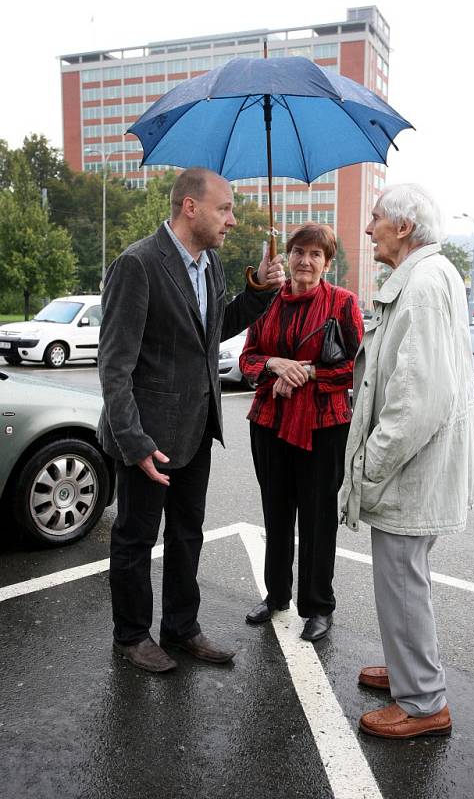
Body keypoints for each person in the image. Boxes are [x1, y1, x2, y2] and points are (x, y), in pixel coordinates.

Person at [97, 167, 285, 673]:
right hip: (146, 436)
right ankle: (132, 636)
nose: (232, 218)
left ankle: (181, 628)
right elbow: (114, 366)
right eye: (224, 208)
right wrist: (133, 441)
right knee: (136, 539)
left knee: (187, 534)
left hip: (197, 427)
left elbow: (215, 329)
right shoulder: (137, 264)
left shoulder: (213, 264)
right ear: (190, 207)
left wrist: (261, 290)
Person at [340, 184, 474, 738]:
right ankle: (409, 675)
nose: (370, 227)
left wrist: (370, 465)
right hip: (419, 469)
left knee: (401, 581)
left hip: (410, 471)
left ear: (403, 228)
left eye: (376, 218)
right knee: (406, 578)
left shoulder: (422, 284)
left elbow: (416, 399)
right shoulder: (430, 276)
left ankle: (423, 702)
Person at [240, 223, 364, 642]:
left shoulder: (342, 304)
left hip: (324, 426)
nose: (305, 261)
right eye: (298, 252)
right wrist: (275, 367)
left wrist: (308, 373)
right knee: (275, 513)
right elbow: (247, 359)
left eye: (315, 254)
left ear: (328, 263)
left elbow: (355, 368)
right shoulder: (268, 302)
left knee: (317, 518)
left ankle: (318, 606)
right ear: (287, 257)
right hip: (270, 423)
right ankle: (275, 595)